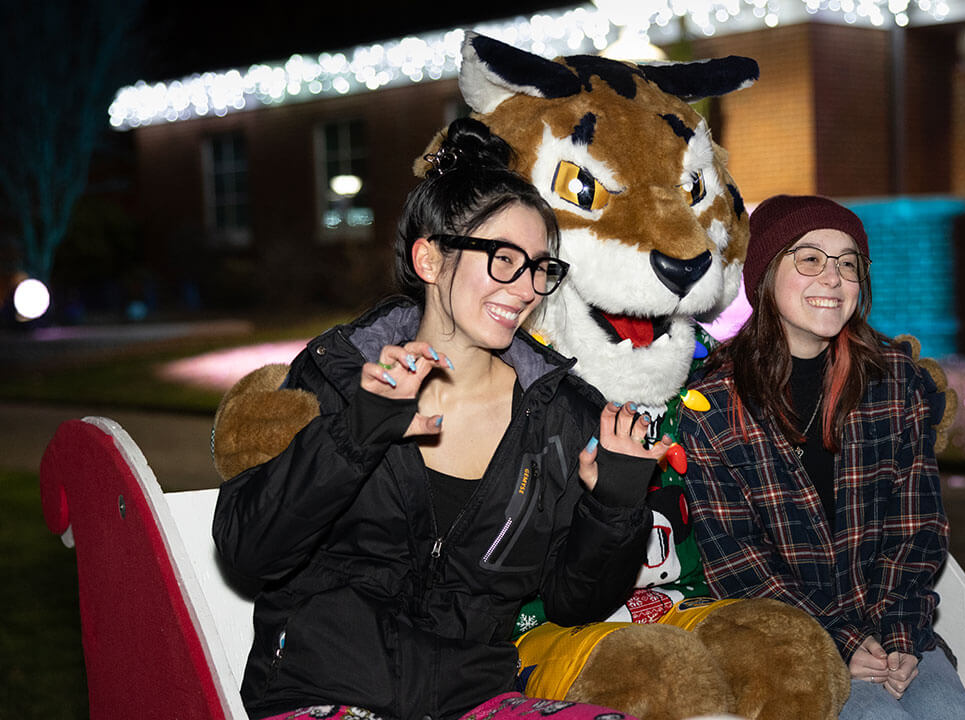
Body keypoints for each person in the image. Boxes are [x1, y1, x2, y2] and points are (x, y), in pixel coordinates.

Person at [213, 118, 669, 720]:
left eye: (540, 267)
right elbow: (248, 551)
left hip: (474, 700)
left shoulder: (560, 414)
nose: (527, 287)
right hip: (324, 693)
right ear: (430, 258)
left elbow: (572, 602)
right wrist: (356, 432)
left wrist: (615, 503)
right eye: (504, 259)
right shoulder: (337, 378)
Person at [678, 195, 965, 720]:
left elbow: (917, 530)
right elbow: (737, 562)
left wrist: (899, 632)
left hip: (892, 629)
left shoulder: (893, 381)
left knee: (954, 714)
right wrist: (840, 641)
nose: (833, 277)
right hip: (787, 640)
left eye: (848, 263)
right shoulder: (713, 404)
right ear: (766, 274)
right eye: (810, 258)